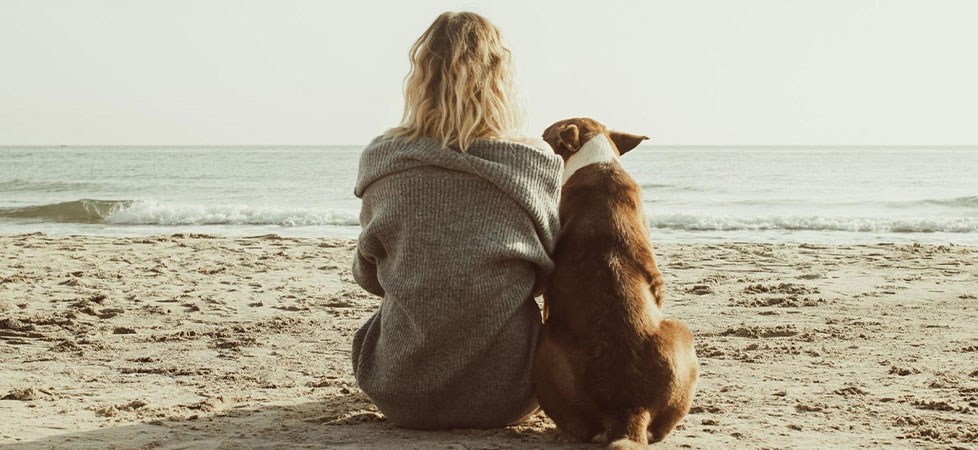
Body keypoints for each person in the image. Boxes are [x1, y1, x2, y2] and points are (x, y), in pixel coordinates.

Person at [350, 11, 562, 429]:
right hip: (510, 394)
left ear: (421, 77)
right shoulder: (534, 163)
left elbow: (368, 276)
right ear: (501, 78)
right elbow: (544, 276)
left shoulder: (383, 160)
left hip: (400, 393)